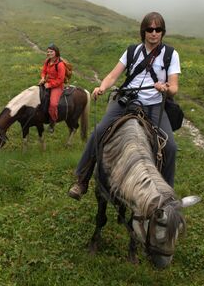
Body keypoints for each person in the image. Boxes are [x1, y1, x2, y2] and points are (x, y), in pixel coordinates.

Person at [68, 12, 180, 200]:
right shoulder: (131, 51)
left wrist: (165, 88)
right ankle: (82, 180)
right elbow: (113, 75)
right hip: (126, 100)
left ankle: (167, 193)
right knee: (99, 132)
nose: (154, 33)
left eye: (158, 29)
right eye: (150, 29)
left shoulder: (170, 54)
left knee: (170, 146)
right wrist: (102, 87)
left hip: (153, 104)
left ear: (162, 32)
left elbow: (174, 87)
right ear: (143, 31)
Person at [39, 43, 66, 133]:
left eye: (51, 51)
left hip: (57, 86)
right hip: (47, 82)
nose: (49, 53)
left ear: (56, 52)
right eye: (48, 52)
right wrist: (43, 78)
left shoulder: (60, 64)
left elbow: (60, 80)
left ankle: (52, 122)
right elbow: (43, 71)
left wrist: (50, 85)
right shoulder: (47, 61)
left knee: (53, 104)